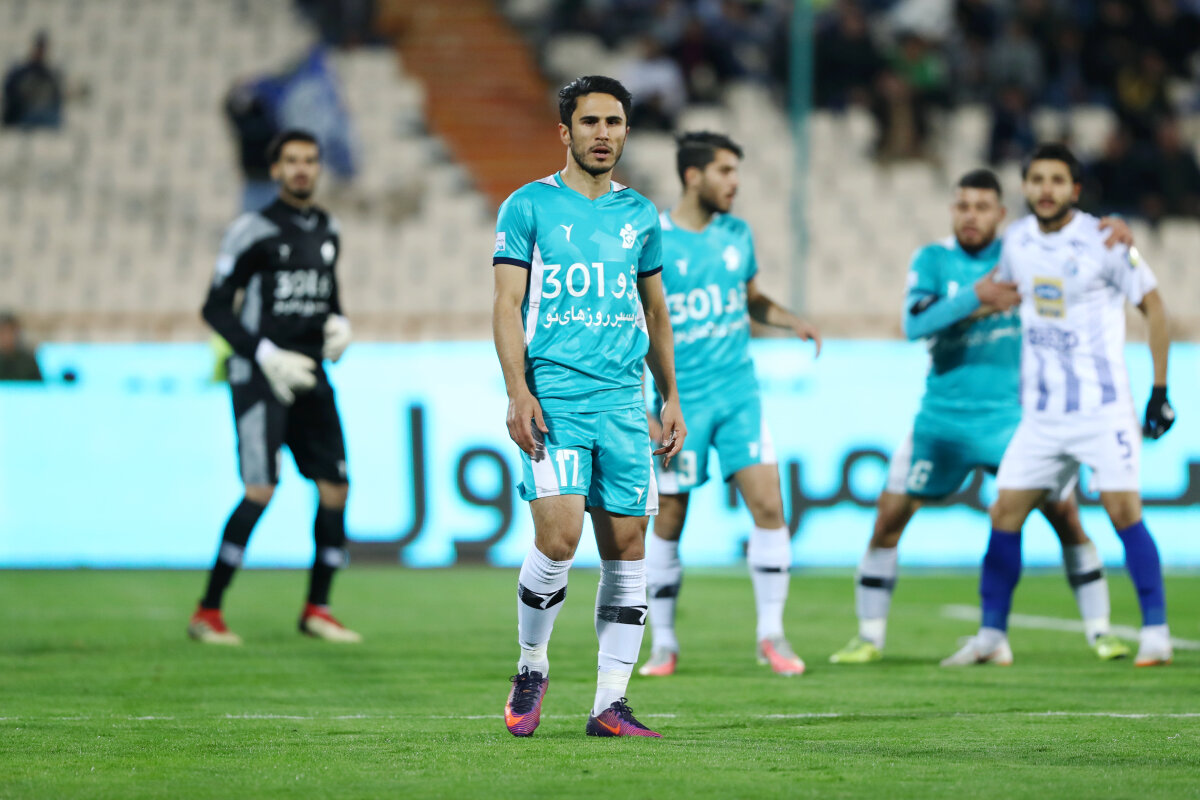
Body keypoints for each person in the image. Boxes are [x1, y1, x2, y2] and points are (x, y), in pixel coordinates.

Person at [830, 168, 1135, 666]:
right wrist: (977, 297)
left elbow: (1073, 239)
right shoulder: (933, 259)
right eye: (962, 206)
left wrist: (1115, 224)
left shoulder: (1021, 251)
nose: (970, 216)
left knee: (1065, 517)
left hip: (1011, 420)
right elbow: (914, 324)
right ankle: (868, 637)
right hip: (942, 419)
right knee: (888, 518)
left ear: (1001, 214)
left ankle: (1101, 632)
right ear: (953, 210)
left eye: (981, 207)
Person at [492, 76, 685, 739]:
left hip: (623, 404)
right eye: (590, 121)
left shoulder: (641, 215)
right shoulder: (527, 206)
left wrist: (670, 396)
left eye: (614, 122)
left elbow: (656, 312)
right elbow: (506, 304)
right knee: (559, 538)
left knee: (628, 549)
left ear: (627, 131)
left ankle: (610, 703)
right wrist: (517, 390)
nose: (603, 134)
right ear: (565, 131)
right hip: (555, 399)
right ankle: (531, 664)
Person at [941, 144, 1175, 668]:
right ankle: (991, 636)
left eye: (1057, 180)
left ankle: (1156, 632)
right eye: (1037, 179)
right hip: (1042, 417)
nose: (1046, 189)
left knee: (1123, 512)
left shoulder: (1107, 240)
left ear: (1076, 189)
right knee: (1004, 511)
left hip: (1101, 410)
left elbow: (1155, 307)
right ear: (1025, 187)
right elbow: (1002, 294)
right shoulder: (1017, 240)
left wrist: (1160, 390)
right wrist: (952, 316)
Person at [637, 132, 821, 679]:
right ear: (692, 176)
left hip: (739, 394)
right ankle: (664, 643)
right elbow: (639, 323)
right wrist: (647, 403)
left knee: (769, 506)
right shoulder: (654, 239)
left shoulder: (737, 234)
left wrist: (789, 320)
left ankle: (771, 634)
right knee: (670, 519)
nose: (734, 182)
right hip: (682, 400)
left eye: (735, 171)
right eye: (724, 171)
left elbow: (751, 298)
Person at [189, 129, 357, 646]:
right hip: (260, 374)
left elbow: (327, 295)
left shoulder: (328, 228)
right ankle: (208, 612)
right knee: (261, 488)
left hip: (309, 372)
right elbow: (215, 307)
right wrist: (264, 353)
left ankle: (318, 609)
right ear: (276, 170)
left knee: (335, 487)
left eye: (310, 160)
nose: (302, 168)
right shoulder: (252, 229)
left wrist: (339, 322)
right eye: (292, 161)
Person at [2, 32, 62, 129]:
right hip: (23, 116)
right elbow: (10, 94)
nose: (40, 52)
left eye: (42, 49)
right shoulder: (20, 72)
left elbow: (56, 99)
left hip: (45, 117)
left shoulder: (49, 75)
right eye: (38, 48)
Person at [0, 311, 43, 381]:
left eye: (10, 331)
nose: (6, 337)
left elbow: (37, 384)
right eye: (2, 332)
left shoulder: (28, 361)